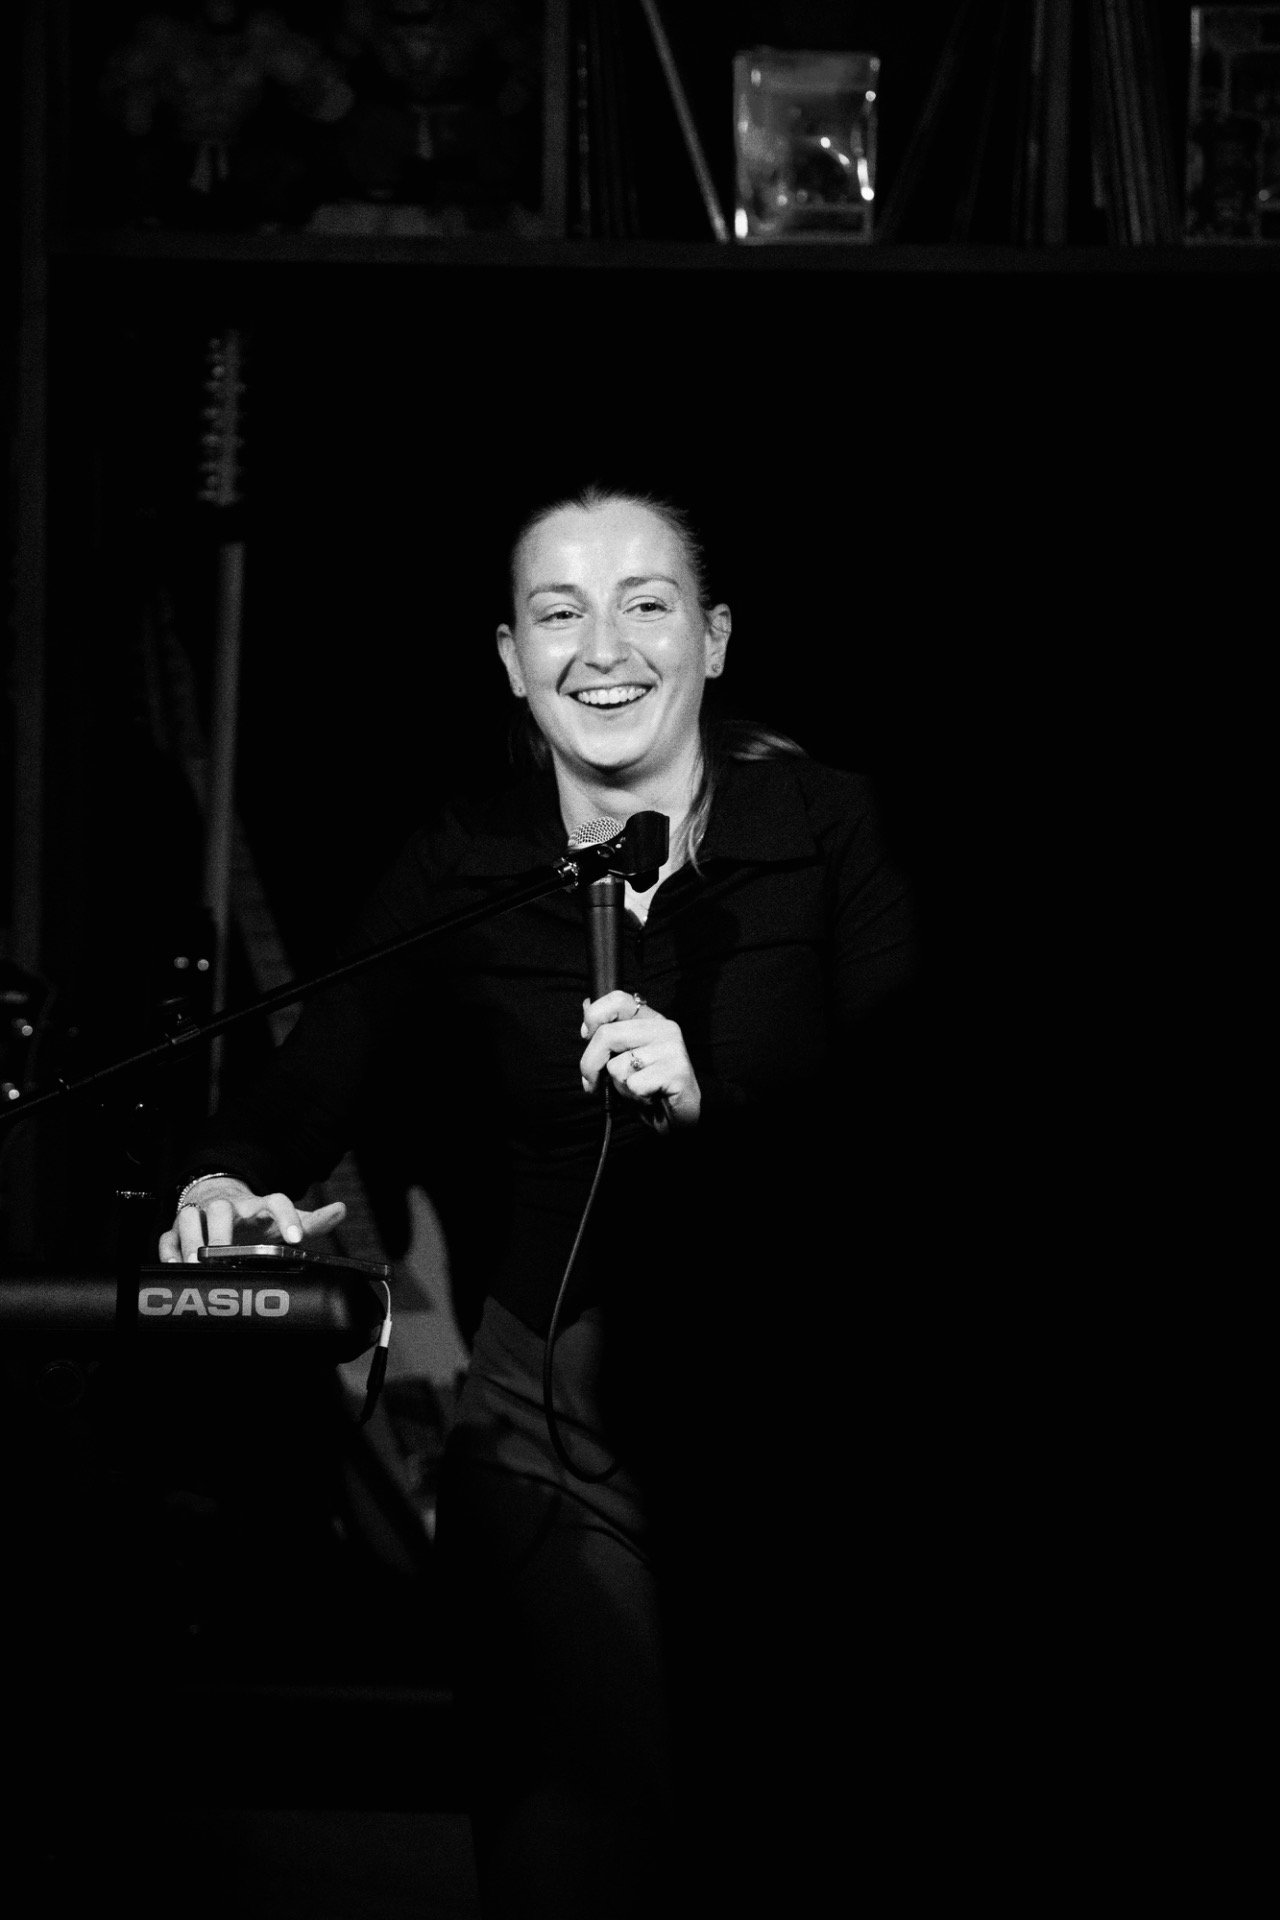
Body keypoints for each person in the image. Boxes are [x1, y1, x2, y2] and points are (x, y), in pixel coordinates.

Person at [161, 484, 920, 1914]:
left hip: (800, 1416)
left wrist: (712, 1106)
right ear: (512, 659)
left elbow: (912, 1141)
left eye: (647, 604)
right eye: (558, 613)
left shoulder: (833, 830)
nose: (603, 648)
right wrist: (220, 1188)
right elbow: (303, 1087)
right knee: (580, 1843)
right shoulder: (467, 856)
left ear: (715, 639)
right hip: (549, 1419)